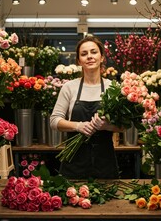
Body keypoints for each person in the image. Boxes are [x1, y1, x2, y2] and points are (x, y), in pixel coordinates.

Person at [50, 35, 122, 179]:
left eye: (93, 52)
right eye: (84, 54)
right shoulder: (69, 88)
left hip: (105, 164)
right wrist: (78, 126)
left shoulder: (113, 88)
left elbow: (123, 126)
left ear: (102, 57)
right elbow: (54, 121)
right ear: (79, 61)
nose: (89, 56)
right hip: (73, 164)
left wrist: (106, 126)